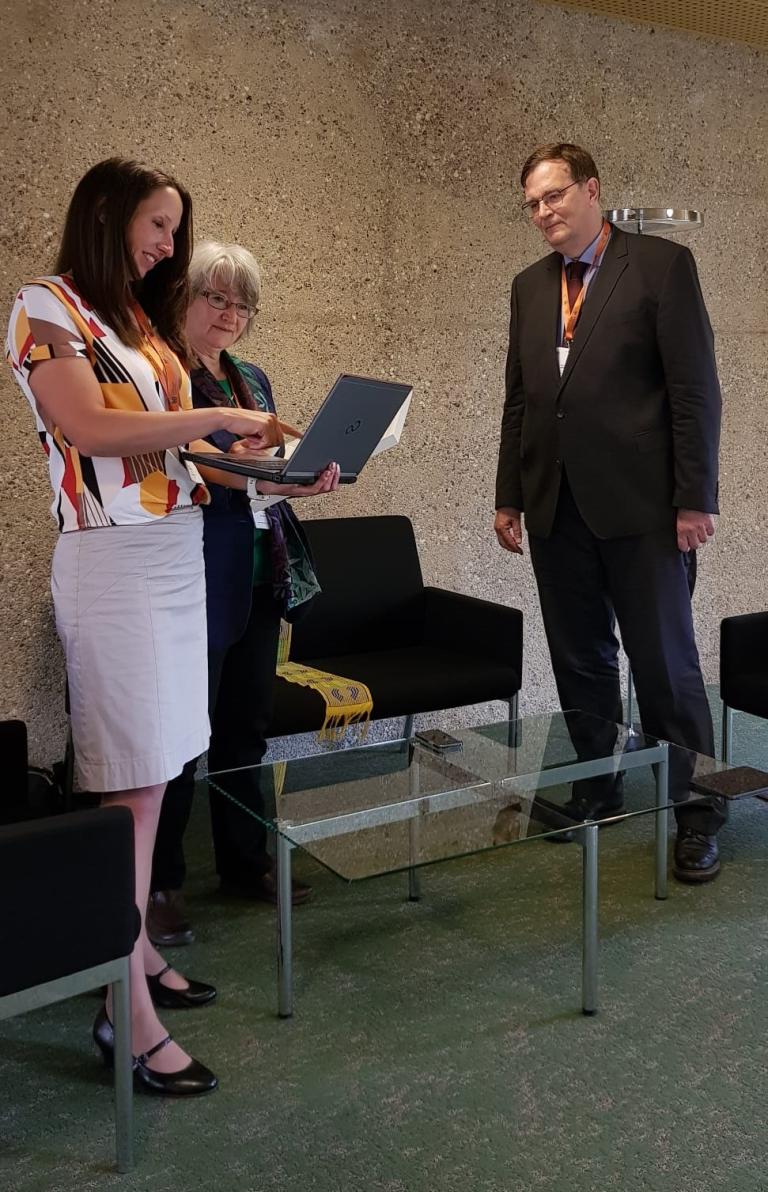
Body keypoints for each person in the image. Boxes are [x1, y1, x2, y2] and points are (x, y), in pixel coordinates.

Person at [6, 160, 286, 1094]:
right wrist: (217, 412)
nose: (168, 244)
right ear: (106, 213)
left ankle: (133, 962)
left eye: (174, 228)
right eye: (157, 225)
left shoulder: (138, 326)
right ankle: (123, 1012)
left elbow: (189, 454)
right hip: (112, 560)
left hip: (172, 556)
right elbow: (90, 429)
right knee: (128, 790)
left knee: (158, 772)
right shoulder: (46, 307)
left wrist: (279, 473)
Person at [494, 142, 724, 883]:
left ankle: (697, 809)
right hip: (554, 507)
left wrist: (696, 499)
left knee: (666, 665)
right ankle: (598, 785)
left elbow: (694, 390)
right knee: (580, 659)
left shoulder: (659, 266)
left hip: (645, 510)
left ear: (591, 189)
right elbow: (521, 402)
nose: (543, 213)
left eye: (554, 196)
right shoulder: (530, 287)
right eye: (531, 203)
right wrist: (508, 493)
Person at [146, 241, 339, 950]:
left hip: (264, 565)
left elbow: (269, 468)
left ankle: (243, 861)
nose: (230, 314)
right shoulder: (162, 375)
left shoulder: (251, 377)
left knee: (244, 728)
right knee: (181, 738)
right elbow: (196, 469)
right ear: (183, 299)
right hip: (194, 568)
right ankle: (161, 882)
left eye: (242, 302)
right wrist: (272, 476)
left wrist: (307, 475)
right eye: (216, 297)